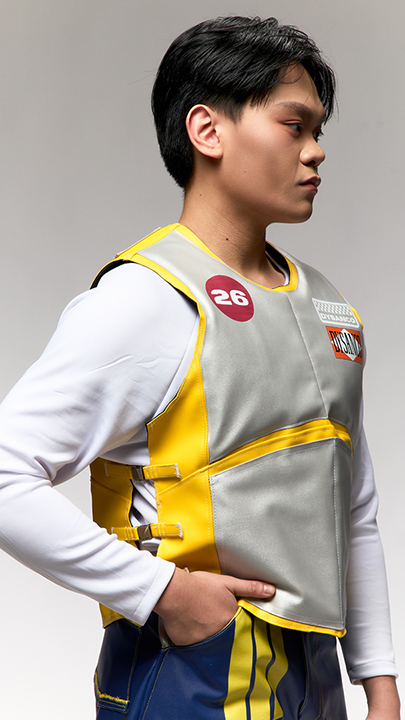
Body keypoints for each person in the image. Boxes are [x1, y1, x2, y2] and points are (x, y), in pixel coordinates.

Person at [0, 15, 400, 720]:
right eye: (294, 126)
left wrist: (378, 681)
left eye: (318, 131)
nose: (315, 151)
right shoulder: (146, 298)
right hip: (194, 665)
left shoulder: (327, 307)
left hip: (314, 675)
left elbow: (353, 508)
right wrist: (166, 594)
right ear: (207, 131)